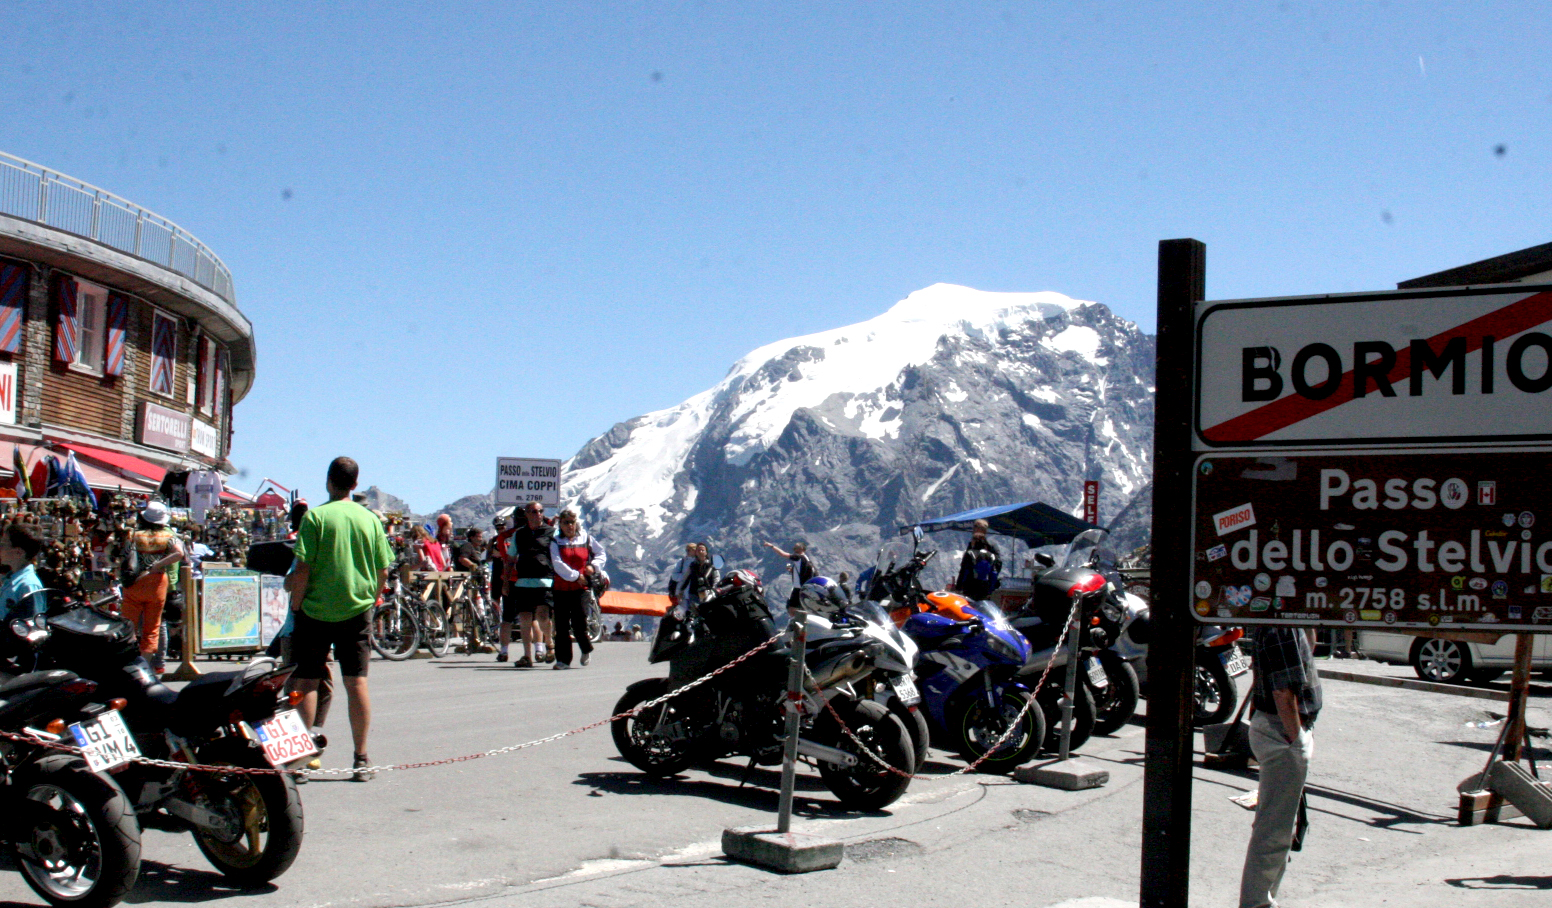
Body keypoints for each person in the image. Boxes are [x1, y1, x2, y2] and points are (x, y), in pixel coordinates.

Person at [288, 457, 394, 783]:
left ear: (328, 481)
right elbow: (383, 569)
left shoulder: (315, 518)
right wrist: (371, 599)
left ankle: (301, 761)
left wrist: (296, 604)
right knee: (356, 682)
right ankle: (361, 758)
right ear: (355, 484)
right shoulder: (370, 519)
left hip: (315, 611)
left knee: (307, 682)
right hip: (357, 610)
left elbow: (302, 569)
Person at [1239, 625, 1322, 908]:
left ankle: (1263, 899)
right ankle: (1256, 903)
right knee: (1273, 829)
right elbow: (1283, 692)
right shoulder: (1282, 626)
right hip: (1281, 731)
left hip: (1281, 730)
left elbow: (1305, 656)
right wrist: (1295, 739)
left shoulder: (1290, 622)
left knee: (1280, 826)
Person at [121, 501, 186, 672]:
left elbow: (123, 556)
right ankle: (144, 665)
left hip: (135, 582)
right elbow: (179, 553)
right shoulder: (168, 536)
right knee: (153, 627)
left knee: (128, 625)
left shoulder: (133, 535)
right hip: (157, 582)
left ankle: (128, 663)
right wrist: (158, 564)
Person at [548, 509, 605, 669]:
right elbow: (557, 563)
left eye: (571, 522)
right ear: (560, 525)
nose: (569, 526)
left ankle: (586, 648)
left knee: (579, 623)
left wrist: (593, 566)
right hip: (561, 588)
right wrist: (575, 576)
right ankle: (563, 660)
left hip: (581, 589)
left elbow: (601, 553)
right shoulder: (556, 541)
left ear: (576, 523)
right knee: (561, 626)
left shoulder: (586, 538)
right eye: (565, 523)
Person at [506, 502, 555, 667]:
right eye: (534, 511)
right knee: (525, 619)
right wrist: (506, 581)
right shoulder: (519, 534)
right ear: (526, 514)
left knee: (542, 617)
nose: (538, 514)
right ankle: (527, 656)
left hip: (544, 581)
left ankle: (549, 643)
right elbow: (511, 558)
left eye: (540, 511)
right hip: (523, 581)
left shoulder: (551, 532)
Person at [0, 522, 47, 621]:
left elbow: (35, 624)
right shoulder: (9, 579)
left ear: (19, 552)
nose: (0, 548)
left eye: (3, 544)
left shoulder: (28, 585)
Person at [954, 519, 1002, 601]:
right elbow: (997, 566)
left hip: (970, 585)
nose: (973, 530)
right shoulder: (992, 547)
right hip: (985, 585)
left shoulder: (976, 546)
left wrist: (958, 587)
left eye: (975, 527)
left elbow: (964, 568)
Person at [762, 539, 814, 610]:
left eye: (796, 548)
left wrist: (771, 546)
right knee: (798, 607)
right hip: (803, 588)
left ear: (801, 548)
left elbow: (783, 554)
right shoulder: (806, 558)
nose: (794, 549)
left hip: (799, 588)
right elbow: (803, 571)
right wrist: (792, 570)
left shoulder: (798, 557)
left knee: (791, 607)